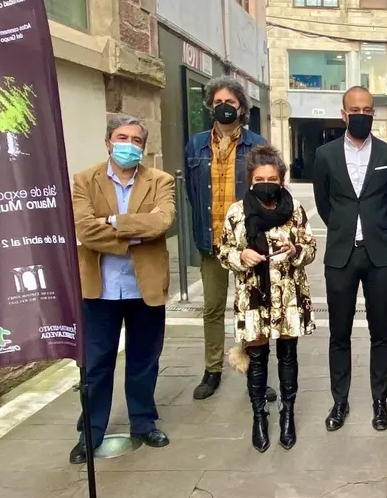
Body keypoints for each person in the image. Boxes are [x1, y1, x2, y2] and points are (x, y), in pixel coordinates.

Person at [69, 116, 175, 464]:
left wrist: (112, 223)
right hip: (99, 290)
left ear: (143, 147)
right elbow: (85, 231)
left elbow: (162, 223)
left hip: (144, 288)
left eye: (136, 140)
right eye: (121, 137)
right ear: (108, 142)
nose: (129, 144)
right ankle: (92, 431)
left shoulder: (161, 180)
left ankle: (143, 423)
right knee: (97, 364)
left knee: (144, 360)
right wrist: (134, 232)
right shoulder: (85, 180)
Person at [312, 86, 387, 432]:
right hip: (341, 255)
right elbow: (324, 204)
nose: (362, 114)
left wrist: (376, 230)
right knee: (340, 332)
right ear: (343, 114)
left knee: (381, 332)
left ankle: (379, 402)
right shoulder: (324, 155)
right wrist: (343, 229)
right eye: (355, 109)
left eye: (367, 109)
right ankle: (340, 401)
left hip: (379, 255)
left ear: (373, 113)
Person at [217, 145, 317, 453]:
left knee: (288, 356)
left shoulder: (295, 210)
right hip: (254, 298)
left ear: (282, 180)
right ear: (250, 180)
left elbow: (310, 248)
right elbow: (222, 251)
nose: (266, 182)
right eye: (260, 178)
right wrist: (239, 254)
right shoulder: (237, 212)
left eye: (272, 178)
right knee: (257, 359)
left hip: (288, 296)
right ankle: (259, 415)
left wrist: (295, 251)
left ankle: (287, 413)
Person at [184, 76, 270, 402]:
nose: (224, 108)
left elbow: (266, 192)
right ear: (210, 107)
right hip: (212, 242)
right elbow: (193, 193)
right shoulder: (195, 145)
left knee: (252, 308)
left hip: (247, 243)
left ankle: (257, 368)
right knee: (213, 308)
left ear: (242, 108)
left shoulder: (257, 144)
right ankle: (212, 369)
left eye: (230, 103)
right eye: (218, 102)